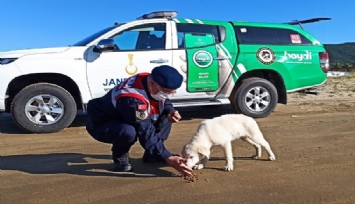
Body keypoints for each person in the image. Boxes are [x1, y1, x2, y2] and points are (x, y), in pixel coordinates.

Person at [86, 65, 193, 177]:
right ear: (153, 84)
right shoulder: (132, 99)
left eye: (171, 93)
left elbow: (164, 100)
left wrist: (171, 111)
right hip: (103, 123)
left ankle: (152, 155)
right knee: (128, 132)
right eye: (167, 92)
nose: (168, 95)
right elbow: (145, 131)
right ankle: (120, 157)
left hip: (127, 117)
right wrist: (168, 157)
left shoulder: (150, 80)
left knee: (166, 115)